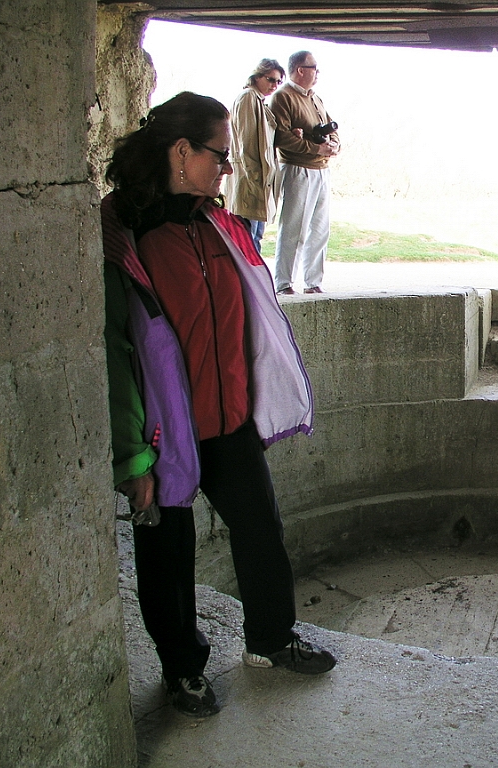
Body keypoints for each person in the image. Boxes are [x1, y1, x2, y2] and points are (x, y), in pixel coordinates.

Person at [101, 92, 336, 720]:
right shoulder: (131, 235)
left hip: (228, 425)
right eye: (220, 155)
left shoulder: (217, 226)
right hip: (166, 435)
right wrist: (133, 458)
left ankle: (269, 638)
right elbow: (120, 350)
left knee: (261, 529)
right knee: (168, 561)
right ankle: (182, 668)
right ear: (182, 152)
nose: (226, 169)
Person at [270, 50, 340, 295]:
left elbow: (333, 130)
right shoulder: (282, 97)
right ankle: (284, 282)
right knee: (294, 228)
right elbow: (282, 137)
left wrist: (333, 145)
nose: (317, 73)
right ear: (300, 70)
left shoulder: (315, 98)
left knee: (320, 229)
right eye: (314, 68)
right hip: (297, 169)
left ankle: (313, 281)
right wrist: (315, 147)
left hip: (322, 170)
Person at [225, 58, 285, 256]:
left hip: (260, 180)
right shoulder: (248, 98)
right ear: (257, 76)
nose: (274, 86)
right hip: (251, 179)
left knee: (255, 236)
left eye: (278, 82)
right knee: (247, 239)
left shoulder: (259, 100)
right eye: (271, 80)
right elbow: (247, 143)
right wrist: (255, 177)